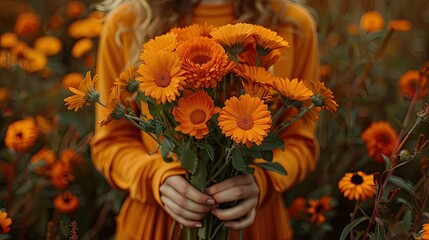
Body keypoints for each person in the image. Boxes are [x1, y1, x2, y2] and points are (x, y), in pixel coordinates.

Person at [91, 0, 320, 239]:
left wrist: (263, 182)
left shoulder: (293, 24)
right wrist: (154, 177)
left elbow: (300, 143)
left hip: (253, 225)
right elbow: (111, 143)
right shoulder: (128, 22)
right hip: (155, 224)